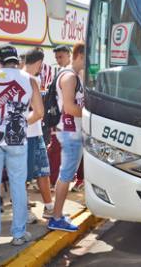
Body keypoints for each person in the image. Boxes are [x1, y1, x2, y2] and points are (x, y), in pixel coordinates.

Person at [0, 44, 44, 247]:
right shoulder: (29, 80)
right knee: (18, 185)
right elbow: (39, 112)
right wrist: (21, 123)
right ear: (17, 62)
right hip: (17, 140)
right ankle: (18, 234)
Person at [48, 42, 85, 232]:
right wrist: (90, 115)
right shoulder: (70, 77)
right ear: (80, 55)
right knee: (66, 175)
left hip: (71, 131)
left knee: (67, 174)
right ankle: (56, 217)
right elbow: (69, 108)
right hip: (70, 132)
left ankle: (58, 213)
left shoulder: (73, 75)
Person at [23, 48, 55, 222]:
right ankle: (24, 209)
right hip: (25, 136)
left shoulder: (33, 79)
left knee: (43, 171)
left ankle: (49, 207)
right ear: (39, 63)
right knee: (23, 176)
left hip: (36, 133)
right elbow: (38, 111)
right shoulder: (25, 80)